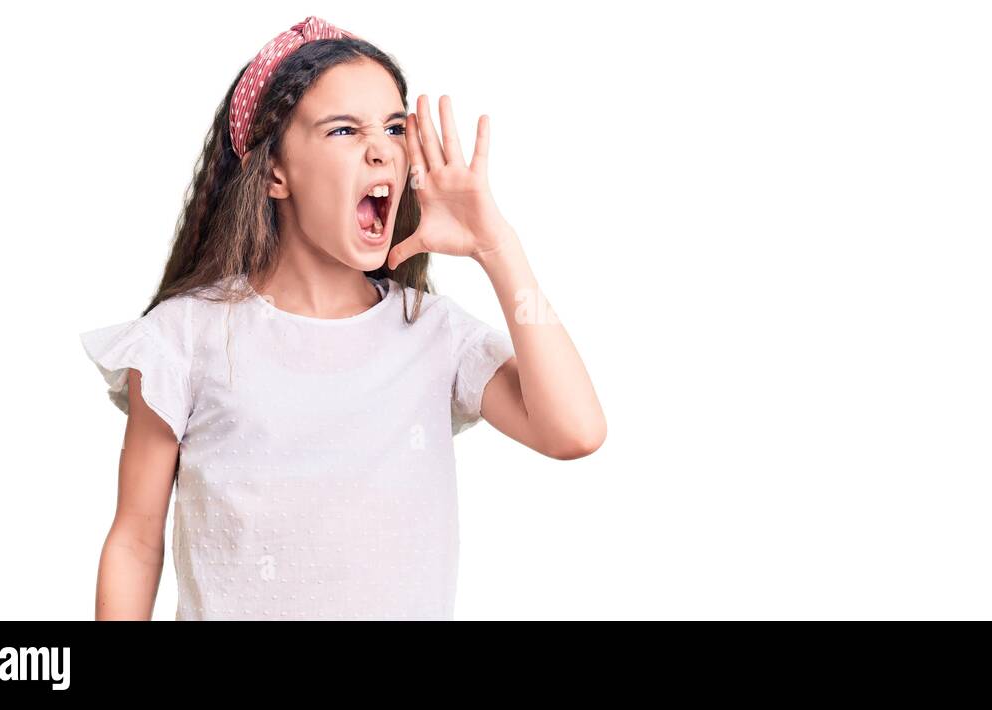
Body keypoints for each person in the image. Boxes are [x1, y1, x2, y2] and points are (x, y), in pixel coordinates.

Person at [79, 16, 606, 620]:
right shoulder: (184, 338)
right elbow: (136, 541)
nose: (381, 147)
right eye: (343, 130)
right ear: (275, 171)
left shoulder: (432, 334)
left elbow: (575, 431)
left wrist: (497, 246)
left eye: (393, 127)